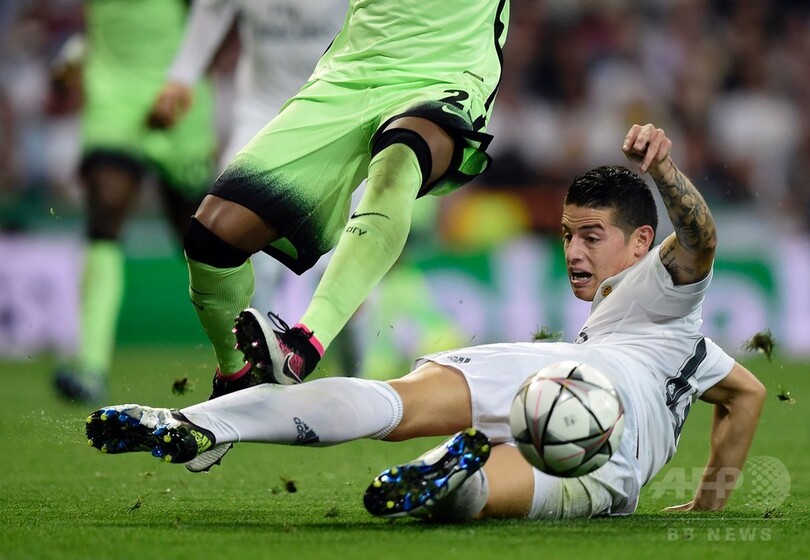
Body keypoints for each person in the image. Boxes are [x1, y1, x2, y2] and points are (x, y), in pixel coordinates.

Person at [85, 124, 766, 520]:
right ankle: (455, 478)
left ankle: (205, 424)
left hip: (558, 380)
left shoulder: (665, 288)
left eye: (592, 236)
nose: (573, 252)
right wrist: (708, 507)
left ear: (643, 243)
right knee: (490, 491)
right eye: (566, 235)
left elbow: (700, 240)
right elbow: (746, 395)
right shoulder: (685, 346)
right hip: (592, 416)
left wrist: (666, 171)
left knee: (394, 399)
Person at [54, 0, 217, 404]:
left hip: (177, 90)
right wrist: (75, 53)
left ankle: (244, 356)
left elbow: (214, 13)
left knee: (202, 240)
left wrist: (187, 75)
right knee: (104, 215)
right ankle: (91, 366)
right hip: (112, 92)